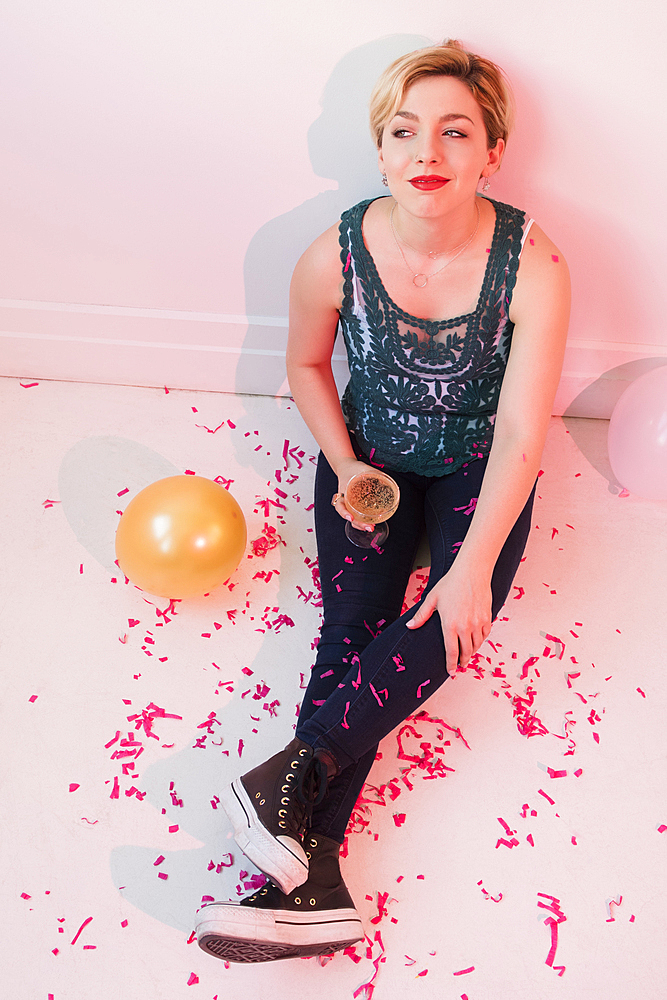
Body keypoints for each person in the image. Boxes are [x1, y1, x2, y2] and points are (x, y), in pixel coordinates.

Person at [195, 38, 570, 964]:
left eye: (454, 131)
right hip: (368, 462)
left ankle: (291, 778)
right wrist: (342, 460)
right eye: (404, 132)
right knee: (351, 627)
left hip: (479, 467)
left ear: (491, 151)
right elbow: (305, 364)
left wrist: (471, 566)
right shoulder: (336, 250)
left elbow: (523, 435)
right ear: (380, 148)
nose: (426, 153)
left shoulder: (535, 264)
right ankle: (311, 876)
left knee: (450, 615)